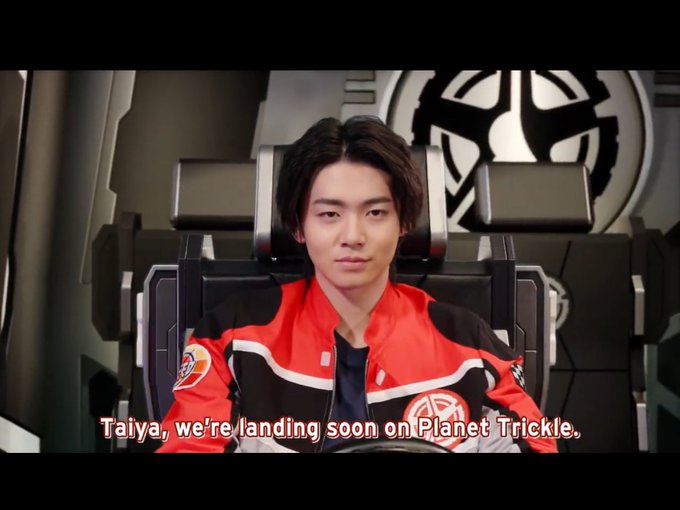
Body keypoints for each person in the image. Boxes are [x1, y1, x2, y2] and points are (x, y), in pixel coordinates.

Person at [157, 116, 558, 453]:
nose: (353, 235)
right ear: (298, 226)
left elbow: (533, 443)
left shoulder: (468, 342)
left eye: (375, 212)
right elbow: (190, 444)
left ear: (404, 222)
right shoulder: (232, 336)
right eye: (330, 214)